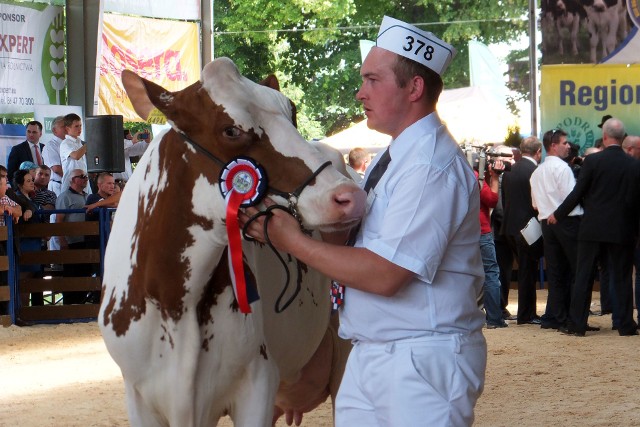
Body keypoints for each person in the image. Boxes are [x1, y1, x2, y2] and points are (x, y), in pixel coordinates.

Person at [241, 16, 486, 426]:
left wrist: (290, 240)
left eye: (373, 80)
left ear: (414, 87)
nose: (360, 93)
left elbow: (385, 275)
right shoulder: (392, 160)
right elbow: (357, 252)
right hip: (373, 351)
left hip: (421, 359)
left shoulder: (428, 167)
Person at [549, 118, 640, 336]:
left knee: (584, 276)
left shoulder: (592, 162)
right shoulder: (634, 165)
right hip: (622, 228)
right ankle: (626, 325)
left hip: (592, 228)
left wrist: (558, 214)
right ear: (623, 138)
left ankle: (577, 324)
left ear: (605, 137)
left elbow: (577, 193)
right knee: (622, 276)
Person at [530, 129, 585, 331]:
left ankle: (558, 317)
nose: (568, 146)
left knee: (555, 272)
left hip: (547, 222)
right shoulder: (562, 169)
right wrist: (558, 214)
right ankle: (574, 318)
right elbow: (571, 198)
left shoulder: (537, 172)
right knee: (576, 270)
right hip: (567, 221)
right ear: (553, 145)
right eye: (564, 142)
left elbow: (535, 204)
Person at [501, 136, 544, 325]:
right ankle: (527, 314)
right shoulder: (535, 171)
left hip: (509, 225)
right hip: (529, 227)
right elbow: (537, 203)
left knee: (520, 271)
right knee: (528, 271)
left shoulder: (510, 170)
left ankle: (526, 313)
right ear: (538, 152)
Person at [479, 159, 508, 329]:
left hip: (461, 234)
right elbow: (491, 200)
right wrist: (495, 179)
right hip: (481, 231)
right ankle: (494, 318)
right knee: (490, 273)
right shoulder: (474, 177)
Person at [55, 169, 91, 305]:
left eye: (86, 176)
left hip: (85, 240)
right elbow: (59, 220)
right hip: (72, 242)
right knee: (72, 273)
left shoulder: (88, 196)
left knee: (84, 273)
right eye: (81, 177)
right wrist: (62, 241)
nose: (85, 179)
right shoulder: (65, 196)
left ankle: (82, 304)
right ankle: (70, 305)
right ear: (72, 180)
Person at [12, 169, 44, 306]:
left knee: (28, 280)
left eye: (32, 180)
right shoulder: (18, 197)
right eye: (28, 181)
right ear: (20, 184)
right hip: (26, 242)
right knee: (24, 280)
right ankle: (22, 310)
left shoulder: (29, 199)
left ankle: (25, 310)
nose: (32, 183)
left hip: (33, 242)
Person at [60, 113, 91, 194]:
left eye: (80, 126)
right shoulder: (65, 143)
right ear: (67, 128)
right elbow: (76, 156)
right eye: (76, 126)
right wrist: (90, 141)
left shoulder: (80, 142)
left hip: (84, 181)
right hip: (71, 184)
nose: (79, 128)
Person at [42, 115, 66, 196]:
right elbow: (56, 169)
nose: (67, 129)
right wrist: (74, 179)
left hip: (72, 185)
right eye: (63, 126)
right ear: (54, 130)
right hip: (59, 186)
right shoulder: (51, 146)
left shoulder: (70, 144)